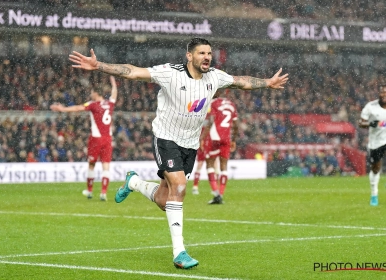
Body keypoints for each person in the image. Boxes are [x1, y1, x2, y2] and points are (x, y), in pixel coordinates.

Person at [69, 37, 288, 269]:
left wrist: (268, 82)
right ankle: (179, 252)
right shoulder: (170, 73)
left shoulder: (214, 76)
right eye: (201, 53)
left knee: (165, 200)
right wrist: (99, 65)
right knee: (180, 187)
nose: (207, 57)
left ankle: (133, 183)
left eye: (209, 53)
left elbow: (241, 82)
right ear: (189, 56)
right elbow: (133, 72)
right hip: (166, 137)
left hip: (190, 144)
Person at [50, 76, 118, 201]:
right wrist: (114, 84)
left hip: (96, 139)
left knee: (91, 164)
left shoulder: (93, 104)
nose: (91, 94)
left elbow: (78, 108)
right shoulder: (110, 104)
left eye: (92, 92)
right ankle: (103, 192)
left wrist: (63, 109)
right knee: (106, 165)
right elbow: (114, 94)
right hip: (108, 139)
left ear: (96, 93)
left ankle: (90, 191)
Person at [199, 91, 238, 204]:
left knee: (210, 163)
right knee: (224, 166)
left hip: (214, 137)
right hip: (226, 138)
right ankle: (221, 194)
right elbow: (236, 125)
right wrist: (234, 140)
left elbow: (210, 121)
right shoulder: (231, 104)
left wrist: (202, 138)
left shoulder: (214, 103)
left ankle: (216, 194)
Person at [359, 84, 386, 207]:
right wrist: (371, 123)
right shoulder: (371, 106)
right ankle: (374, 194)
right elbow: (361, 123)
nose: (384, 95)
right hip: (376, 142)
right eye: (383, 92)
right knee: (375, 168)